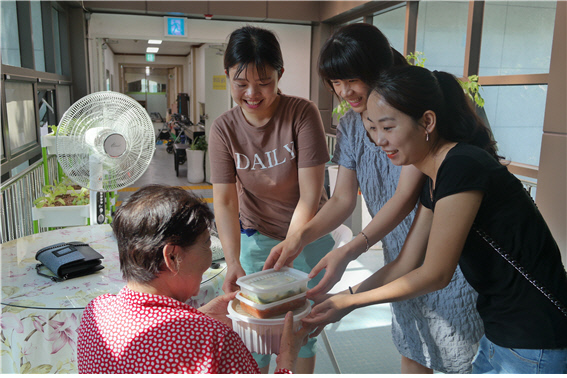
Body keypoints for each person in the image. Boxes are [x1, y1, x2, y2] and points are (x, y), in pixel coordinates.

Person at [303, 65, 567, 374]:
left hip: (535, 338)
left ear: (427, 121)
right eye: (372, 128)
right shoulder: (436, 177)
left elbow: (435, 274)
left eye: (388, 128)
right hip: (502, 334)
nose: (379, 140)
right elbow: (406, 264)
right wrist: (342, 298)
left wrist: (349, 304)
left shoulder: (462, 166)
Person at [264, 23, 483, 374]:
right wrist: (298, 238)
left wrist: (350, 250)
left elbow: (405, 198)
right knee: (413, 347)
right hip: (400, 254)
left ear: (378, 70)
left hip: (444, 250)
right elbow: (342, 200)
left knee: (458, 353)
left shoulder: (409, 117)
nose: (344, 91)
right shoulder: (352, 125)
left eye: (352, 79)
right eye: (335, 82)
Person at [76, 185, 312, 374]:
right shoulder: (214, 340)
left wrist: (198, 318)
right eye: (208, 245)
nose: (211, 256)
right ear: (172, 256)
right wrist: (285, 362)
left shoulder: (94, 313)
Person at [208, 26, 334, 374]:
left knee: (301, 328)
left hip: (307, 237)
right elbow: (225, 201)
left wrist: (292, 244)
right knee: (252, 331)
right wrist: (233, 260)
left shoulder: (301, 113)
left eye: (264, 81)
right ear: (228, 76)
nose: (252, 93)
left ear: (280, 73)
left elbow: (310, 194)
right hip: (256, 239)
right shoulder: (224, 129)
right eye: (241, 82)